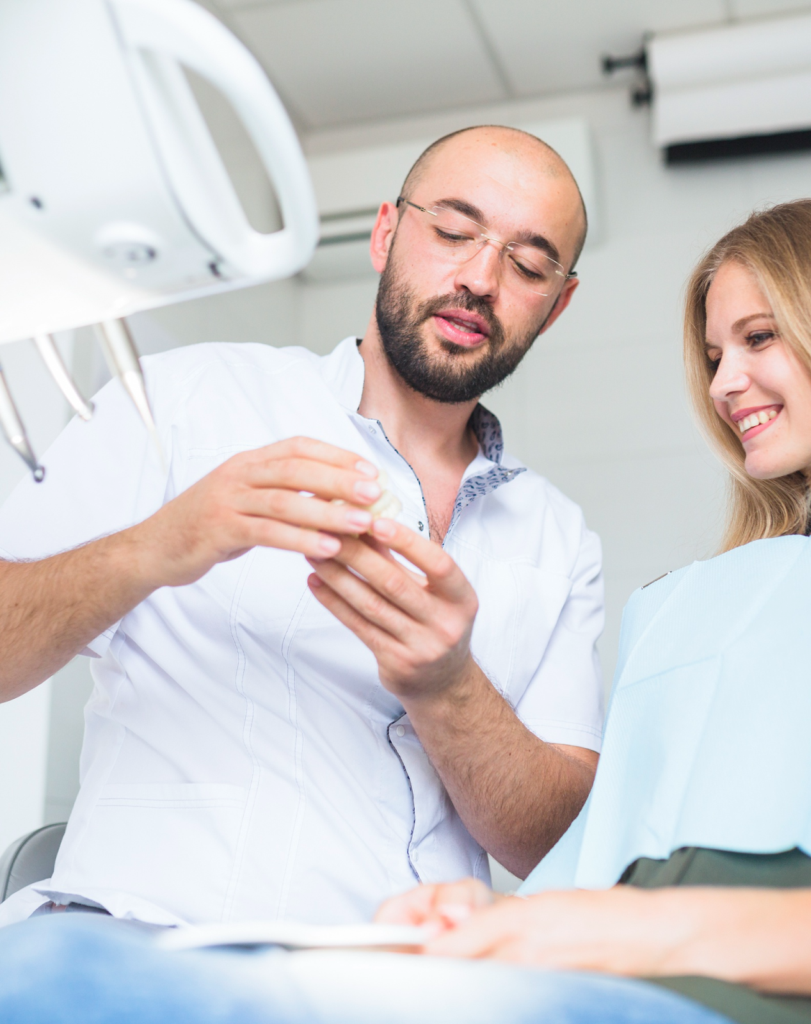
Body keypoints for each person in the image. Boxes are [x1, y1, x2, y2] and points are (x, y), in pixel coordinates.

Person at [376, 198, 811, 1024]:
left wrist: (658, 933)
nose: (723, 384)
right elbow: (613, 867)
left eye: (759, 339)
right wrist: (489, 919)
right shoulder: (683, 611)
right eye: (717, 355)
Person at [0, 125, 604, 927]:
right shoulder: (185, 403)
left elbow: (553, 845)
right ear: (386, 233)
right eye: (454, 232)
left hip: (414, 983)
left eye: (527, 265)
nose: (480, 278)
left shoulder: (559, 541)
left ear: (556, 305)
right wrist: (157, 548)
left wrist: (449, 687)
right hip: (152, 948)